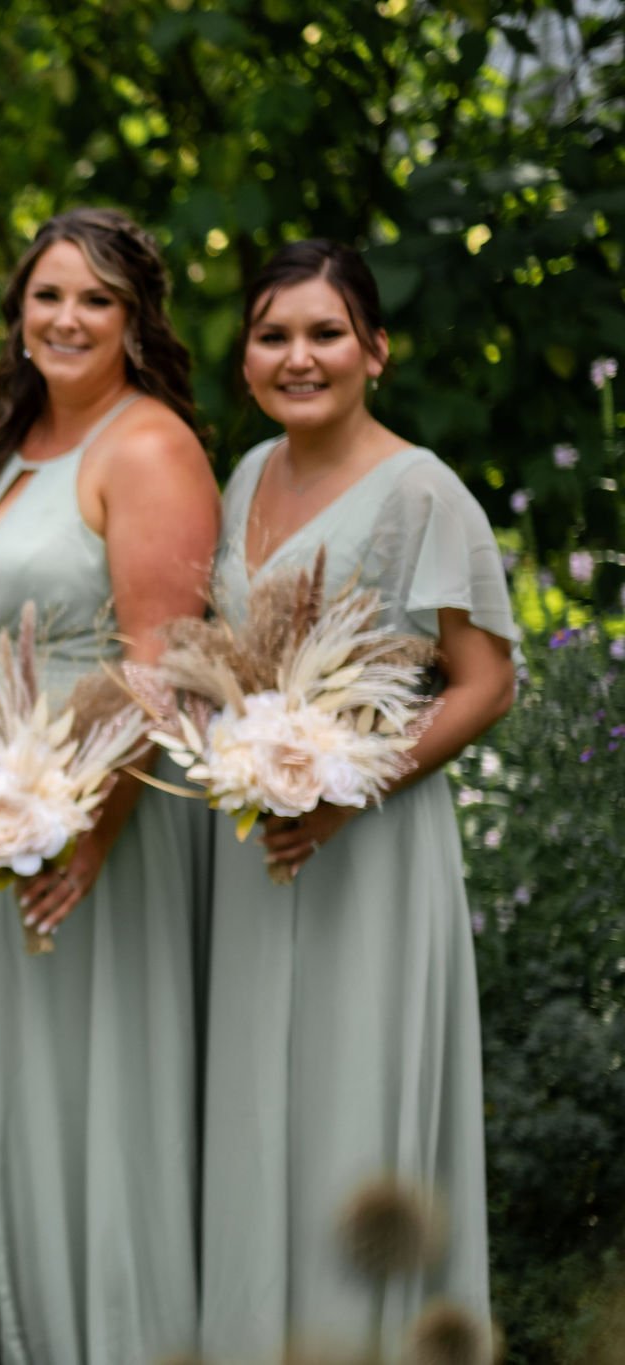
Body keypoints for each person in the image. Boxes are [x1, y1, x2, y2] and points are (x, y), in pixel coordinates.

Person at [199, 239, 511, 1357]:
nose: (298, 356)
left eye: (323, 332)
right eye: (272, 334)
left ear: (372, 350)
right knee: (254, 1110)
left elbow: (485, 684)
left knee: (348, 1101)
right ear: (243, 361)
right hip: (255, 840)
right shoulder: (242, 477)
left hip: (368, 844)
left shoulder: (423, 491)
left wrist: (343, 791)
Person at [0, 207, 217, 1363]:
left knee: (93, 1105)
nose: (64, 318)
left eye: (93, 300)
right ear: (16, 314)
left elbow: (161, 662)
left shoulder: (143, 445)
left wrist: (89, 830)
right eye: (46, 296)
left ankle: (108, 1334)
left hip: (104, 819)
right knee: (13, 1100)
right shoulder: (12, 447)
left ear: (132, 320)